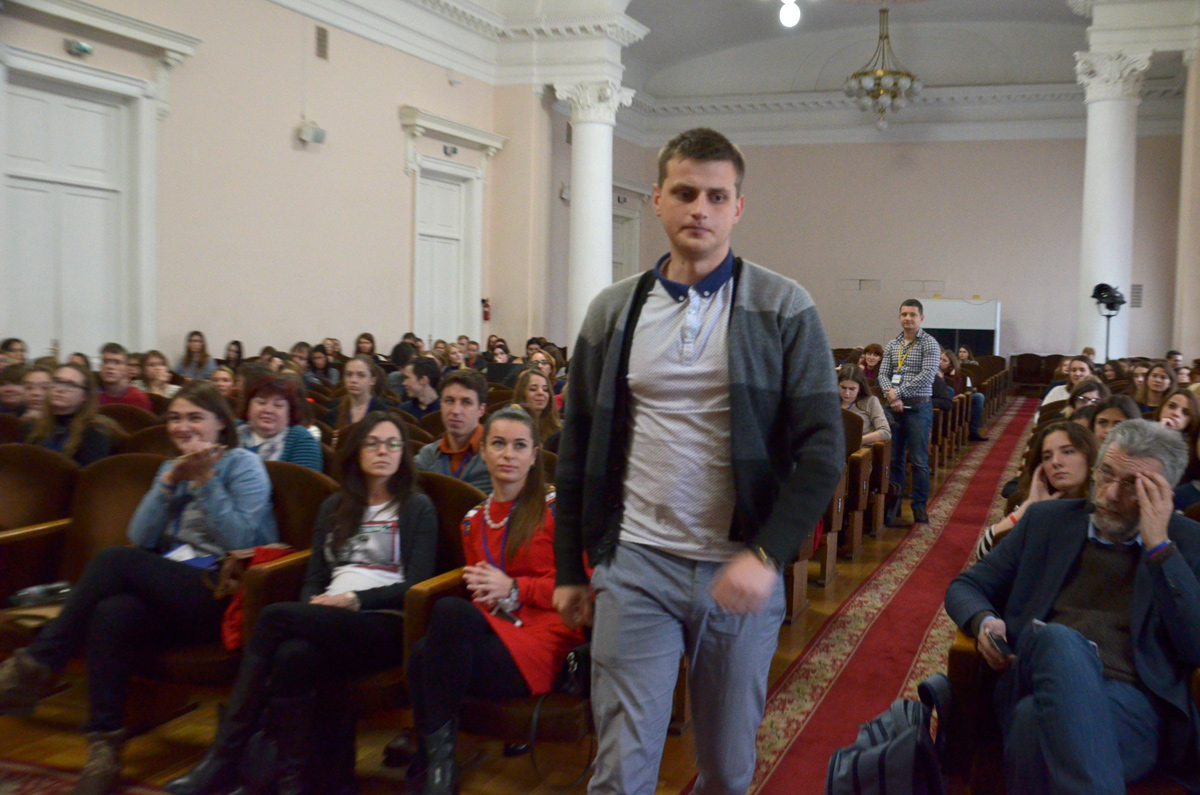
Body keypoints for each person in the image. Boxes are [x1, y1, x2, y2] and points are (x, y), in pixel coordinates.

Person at [554, 127, 843, 795]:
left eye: (716, 197)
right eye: (685, 193)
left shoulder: (784, 306)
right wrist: (572, 567)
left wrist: (766, 553)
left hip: (736, 564)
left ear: (738, 207)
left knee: (726, 767)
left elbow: (823, 450)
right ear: (657, 198)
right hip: (637, 563)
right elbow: (576, 448)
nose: (699, 210)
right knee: (619, 771)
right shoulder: (613, 310)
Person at [0, 383, 277, 795]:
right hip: (171, 586)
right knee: (112, 612)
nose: (183, 427)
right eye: (176, 418)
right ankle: (104, 747)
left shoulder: (243, 465)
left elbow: (244, 540)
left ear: (221, 423)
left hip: (219, 590)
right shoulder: (170, 467)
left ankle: (36, 664)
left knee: (114, 559)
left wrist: (206, 480)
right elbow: (141, 536)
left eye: (195, 417)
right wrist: (166, 486)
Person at [165, 412, 436, 795]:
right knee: (293, 654)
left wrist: (352, 600)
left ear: (404, 453)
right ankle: (292, 781)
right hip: (328, 616)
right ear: (356, 451)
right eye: (373, 443)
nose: (383, 451)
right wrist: (312, 606)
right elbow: (314, 575)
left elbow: (416, 583)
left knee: (273, 619)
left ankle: (222, 759)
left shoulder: (416, 507)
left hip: (383, 621)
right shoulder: (335, 506)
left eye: (393, 444)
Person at [945, 420, 1200, 794]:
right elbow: (967, 586)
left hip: (1132, 707)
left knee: (1031, 723)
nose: (1110, 493)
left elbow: (1194, 645)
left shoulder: (1186, 544)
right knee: (1060, 640)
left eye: (1133, 485)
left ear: (1164, 493)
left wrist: (1159, 548)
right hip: (1034, 671)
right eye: (1106, 473)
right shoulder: (1048, 521)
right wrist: (984, 621)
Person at [407, 406, 582, 795]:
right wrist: (491, 592)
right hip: (498, 631)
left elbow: (578, 588)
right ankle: (439, 766)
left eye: (520, 446)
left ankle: (432, 765)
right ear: (483, 451)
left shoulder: (558, 509)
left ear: (534, 455)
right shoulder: (473, 520)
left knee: (437, 633)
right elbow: (482, 597)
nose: (508, 454)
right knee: (423, 653)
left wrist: (515, 589)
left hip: (547, 637)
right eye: (498, 444)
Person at [974, 421, 1097, 558]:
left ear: (1089, 457)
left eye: (1068, 452)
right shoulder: (1037, 505)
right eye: (1047, 457)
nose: (1056, 462)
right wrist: (1028, 505)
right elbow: (984, 552)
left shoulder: (1099, 509)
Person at [878, 299, 942, 526]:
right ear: (899, 317)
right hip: (893, 409)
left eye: (913, 315)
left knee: (918, 460)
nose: (908, 318)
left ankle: (919, 507)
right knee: (894, 459)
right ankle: (893, 508)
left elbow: (926, 376)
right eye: (904, 314)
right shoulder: (892, 344)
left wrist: (897, 393)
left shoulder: (930, 343)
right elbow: (883, 374)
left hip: (918, 407)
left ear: (921, 318)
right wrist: (891, 396)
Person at [413, 369, 493, 494]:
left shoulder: (497, 456)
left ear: (481, 410)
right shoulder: (426, 457)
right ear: (441, 405)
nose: (456, 411)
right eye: (449, 401)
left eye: (466, 402)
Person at [24, 364, 113, 465]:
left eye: (71, 385)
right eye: (57, 381)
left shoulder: (94, 433)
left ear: (85, 396)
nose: (60, 389)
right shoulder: (33, 426)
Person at [237, 375, 323, 471]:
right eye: (261, 402)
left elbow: (303, 479)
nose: (268, 410)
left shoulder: (301, 440)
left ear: (289, 413)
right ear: (248, 407)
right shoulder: (233, 429)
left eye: (278, 405)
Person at [328, 355, 389, 431]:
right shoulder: (335, 411)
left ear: (372, 380)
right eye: (349, 374)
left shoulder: (381, 412)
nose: (353, 380)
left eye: (361, 375)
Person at [940, 348, 988, 442]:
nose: (940, 362)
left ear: (951, 364)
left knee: (979, 397)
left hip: (957, 400)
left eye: (944, 360)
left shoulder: (957, 376)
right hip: (942, 401)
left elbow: (957, 391)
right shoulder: (934, 373)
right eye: (939, 359)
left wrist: (952, 377)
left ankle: (973, 432)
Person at [837, 364, 890, 447]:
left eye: (852, 389)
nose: (847, 393)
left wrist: (855, 441)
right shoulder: (831, 402)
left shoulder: (870, 401)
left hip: (859, 450)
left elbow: (885, 432)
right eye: (843, 388)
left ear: (860, 388)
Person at [511, 368, 561, 451]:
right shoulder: (510, 422)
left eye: (545, 389)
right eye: (533, 389)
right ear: (522, 393)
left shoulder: (558, 430)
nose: (541, 393)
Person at [97, 343, 154, 411]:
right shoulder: (96, 398)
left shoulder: (138, 398)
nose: (110, 366)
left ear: (126, 369)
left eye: (117, 362)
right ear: (100, 366)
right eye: (105, 362)